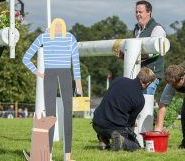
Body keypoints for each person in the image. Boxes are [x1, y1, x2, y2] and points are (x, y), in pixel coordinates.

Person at [23, 18, 82, 161]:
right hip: (64, 74)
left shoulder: (44, 37)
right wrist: (78, 84)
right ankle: (64, 156)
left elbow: (26, 58)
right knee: (65, 115)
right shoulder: (70, 38)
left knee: (51, 115)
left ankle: (50, 156)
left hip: (50, 74)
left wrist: (38, 72)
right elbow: (75, 62)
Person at [92, 67, 156, 151]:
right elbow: (129, 123)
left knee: (111, 126)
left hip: (96, 123)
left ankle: (103, 139)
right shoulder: (140, 99)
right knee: (136, 146)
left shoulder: (119, 80)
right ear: (146, 83)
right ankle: (121, 141)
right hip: (113, 128)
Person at [134, 0, 166, 95]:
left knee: (145, 105)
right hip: (139, 76)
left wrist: (135, 57)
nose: (138, 14)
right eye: (136, 12)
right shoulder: (136, 30)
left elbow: (155, 52)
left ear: (149, 12)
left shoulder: (157, 29)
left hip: (151, 75)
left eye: (140, 12)